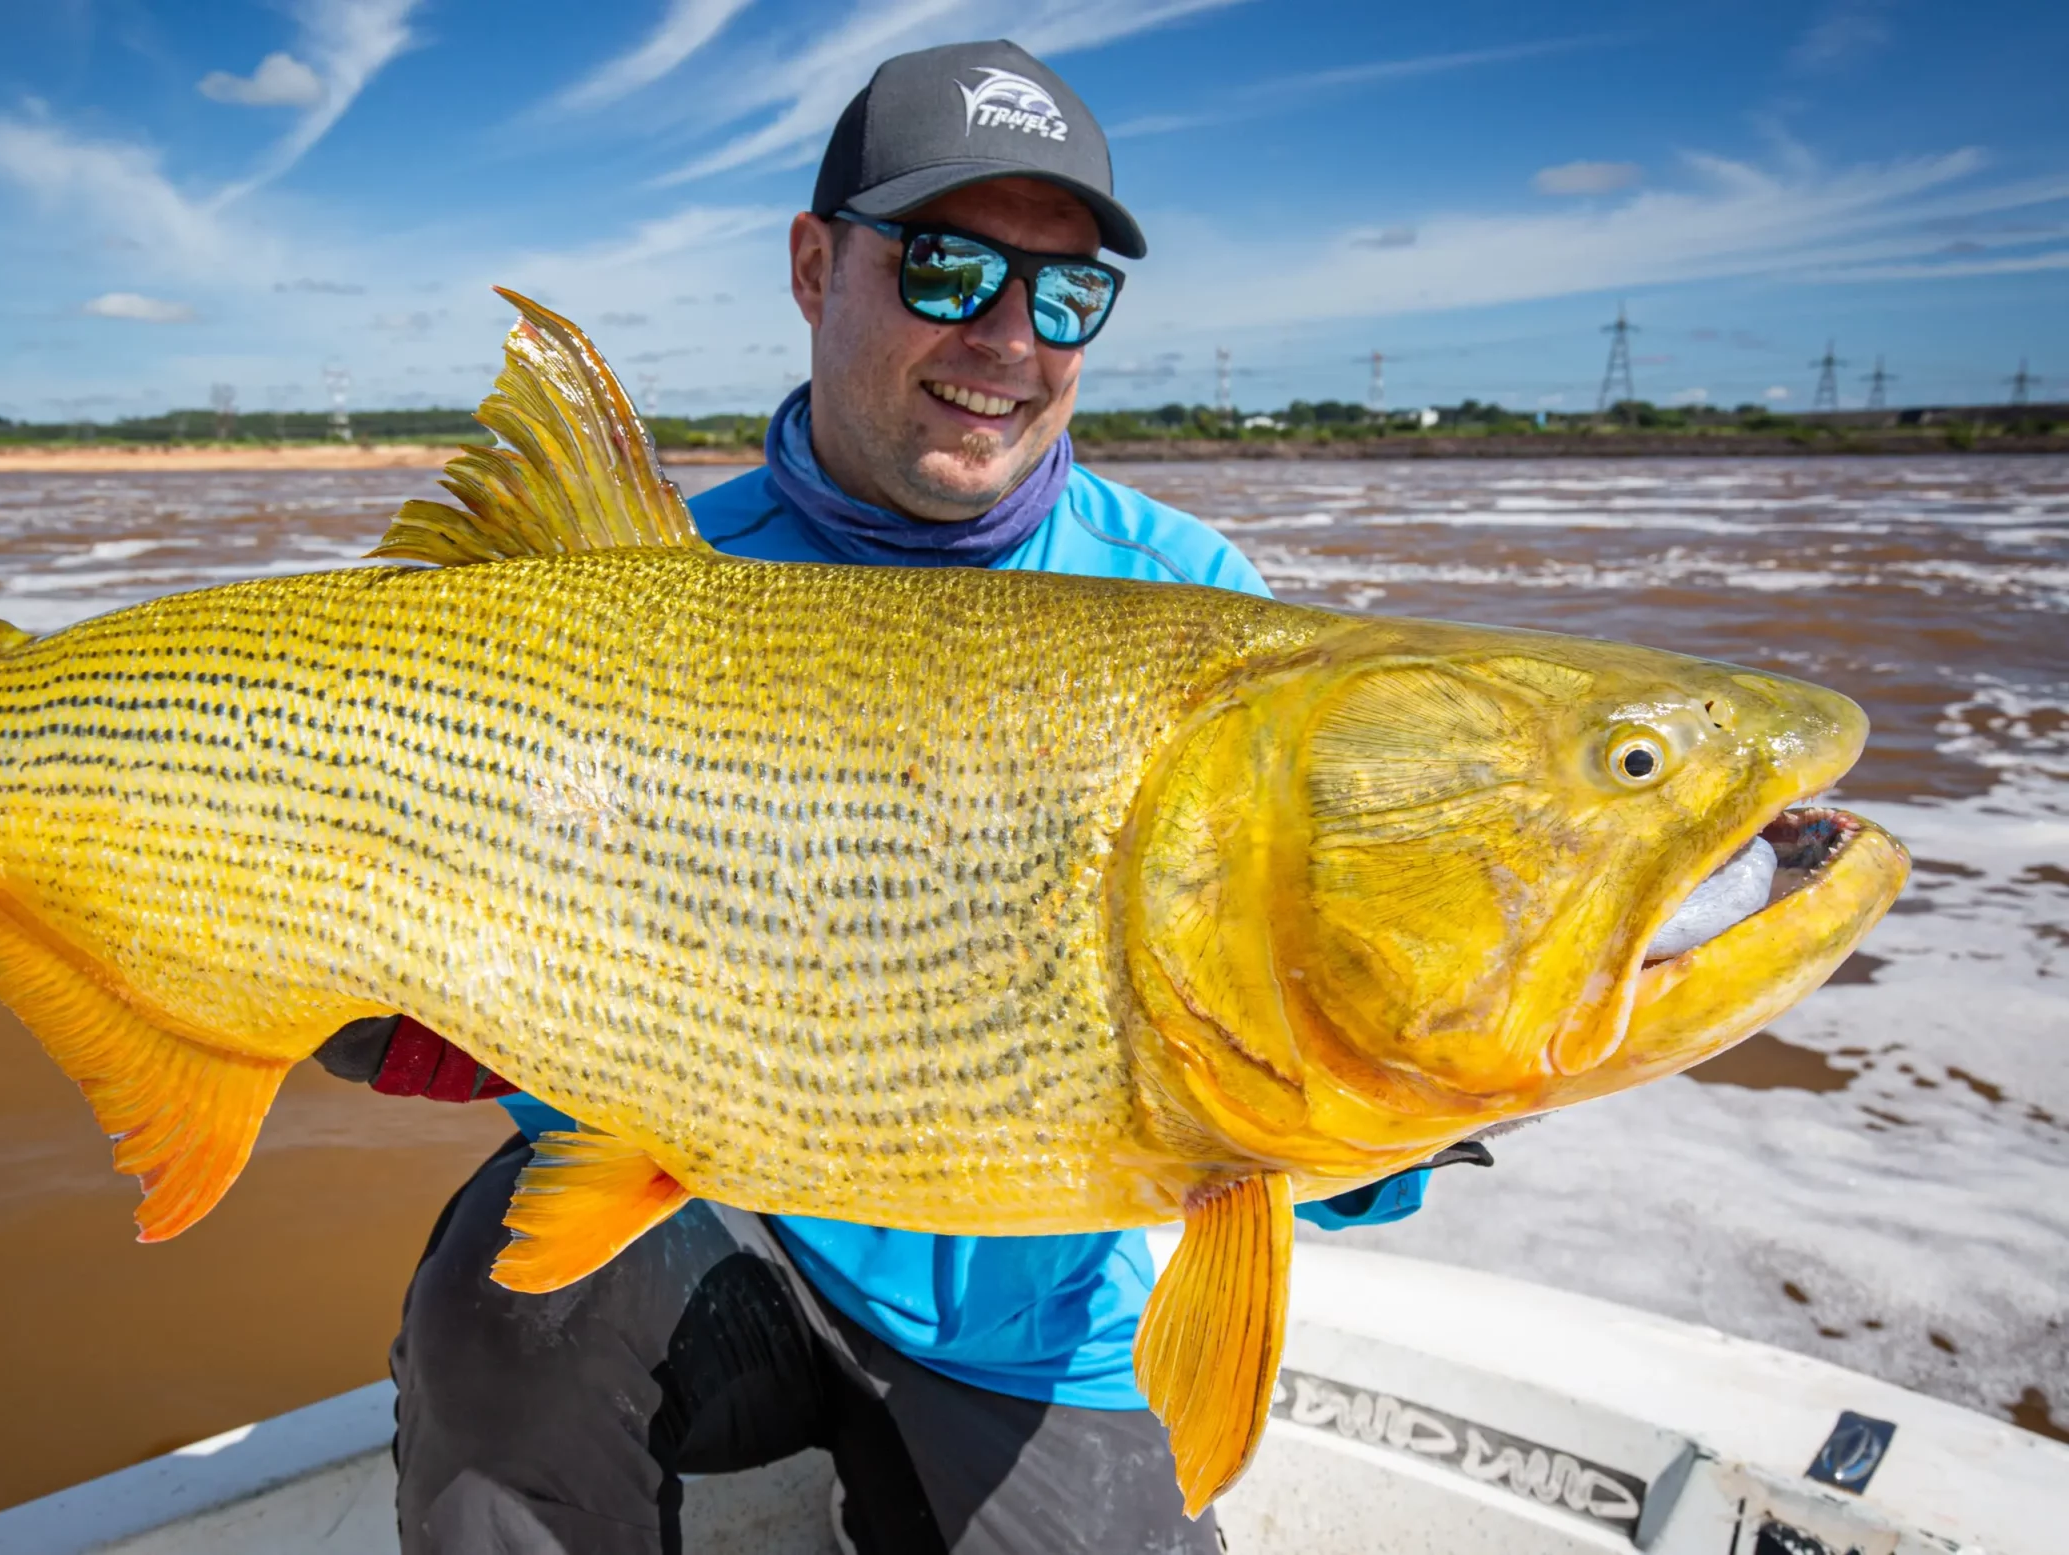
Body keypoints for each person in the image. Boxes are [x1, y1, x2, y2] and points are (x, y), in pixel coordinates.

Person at [319, 39, 1471, 1554]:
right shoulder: (624, 592)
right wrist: (381, 999)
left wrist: (1401, 1103)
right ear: (814, 264)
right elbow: (538, 978)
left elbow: (1288, 1142)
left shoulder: (1196, 618)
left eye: (1066, 294)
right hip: (713, 1229)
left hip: (1034, 1303)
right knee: (501, 1319)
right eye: (947, 266)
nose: (1008, 334)